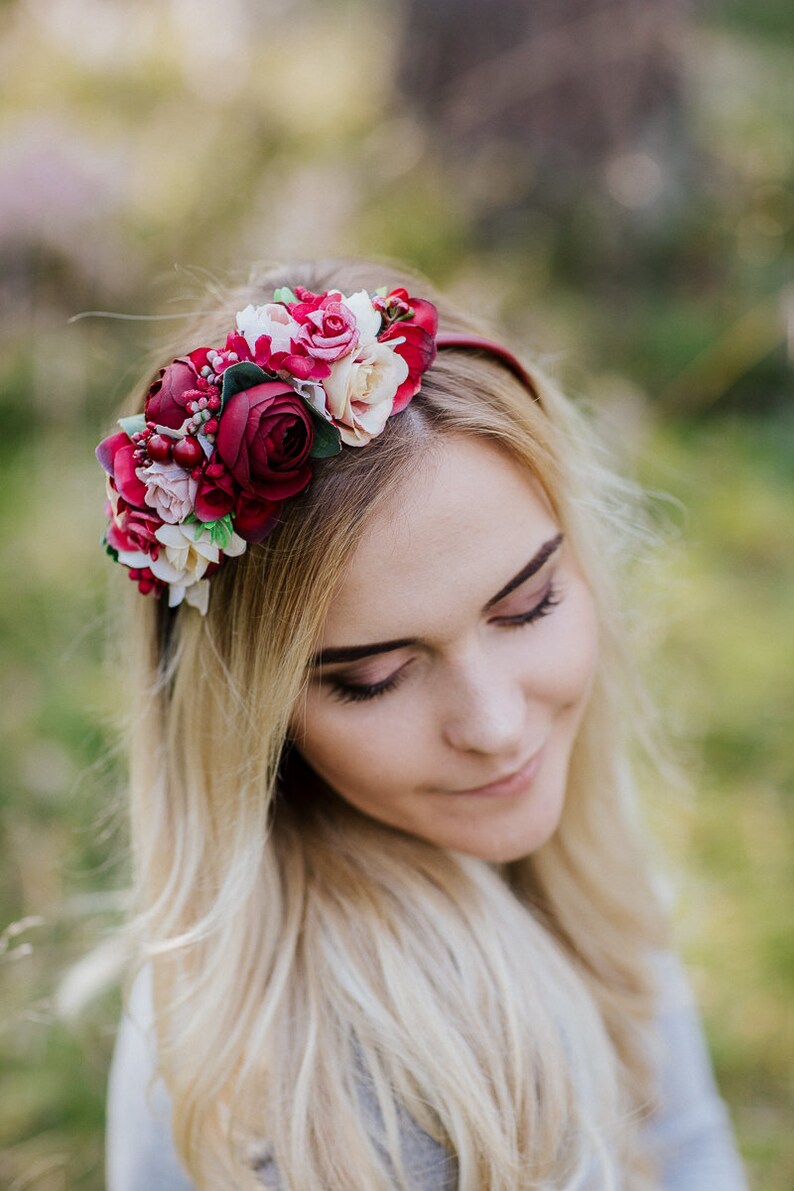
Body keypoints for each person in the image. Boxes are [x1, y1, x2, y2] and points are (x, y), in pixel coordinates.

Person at [98, 260, 748, 1190]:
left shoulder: (559, 844)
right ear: (251, 727)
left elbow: (687, 1145)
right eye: (374, 676)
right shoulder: (395, 1087)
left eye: (527, 606)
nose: (493, 724)